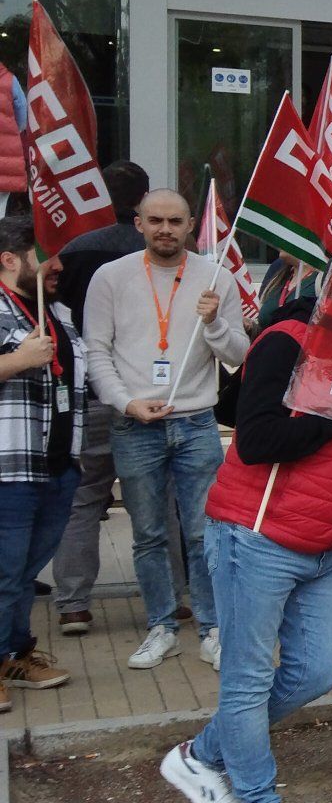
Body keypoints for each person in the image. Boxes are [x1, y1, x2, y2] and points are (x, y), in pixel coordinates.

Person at [158, 271, 332, 803]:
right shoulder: (288, 338)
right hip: (256, 537)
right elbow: (252, 438)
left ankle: (201, 754)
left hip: (326, 547)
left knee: (314, 675)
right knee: (247, 681)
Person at [84, 189, 249, 671]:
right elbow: (98, 353)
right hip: (134, 423)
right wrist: (127, 403)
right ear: (138, 223)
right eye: (155, 220)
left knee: (205, 533)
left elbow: (238, 355)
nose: (165, 229)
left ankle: (212, 627)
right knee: (148, 534)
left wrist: (215, 321)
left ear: (191, 224)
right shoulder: (110, 278)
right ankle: (161, 626)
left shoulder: (216, 278)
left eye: (175, 221)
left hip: (196, 422)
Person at [50, 160, 151, 638]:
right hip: (144, 395)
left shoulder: (71, 250)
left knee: (84, 501)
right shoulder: (156, 250)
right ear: (143, 202)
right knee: (156, 500)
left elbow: (57, 312)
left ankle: (72, 604)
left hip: (89, 390)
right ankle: (167, 601)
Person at [0, 214, 82, 701]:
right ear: (10, 259)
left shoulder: (56, 312)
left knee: (23, 574)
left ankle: (14, 653)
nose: (57, 264)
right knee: (6, 572)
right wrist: (15, 361)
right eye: (45, 254)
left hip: (55, 466)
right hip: (10, 469)